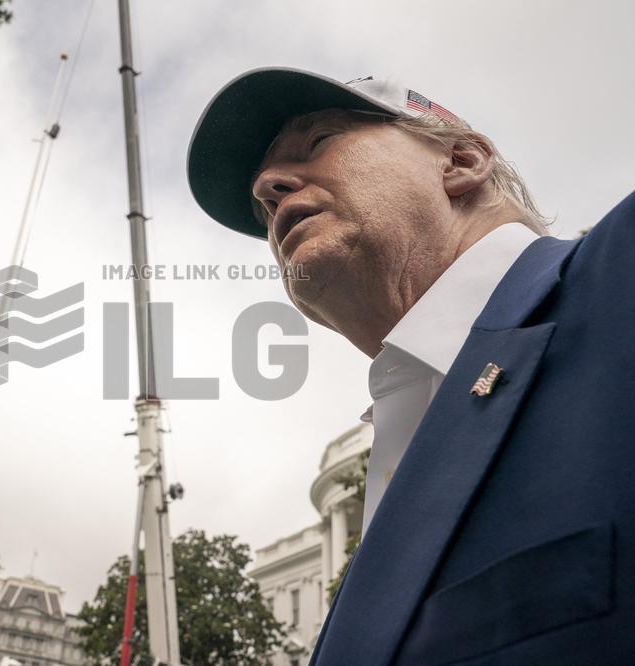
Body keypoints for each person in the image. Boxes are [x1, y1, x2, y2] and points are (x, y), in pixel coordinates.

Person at [187, 68, 635, 665]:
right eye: (261, 202)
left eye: (318, 142)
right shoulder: (404, 443)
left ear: (461, 163)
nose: (268, 187)